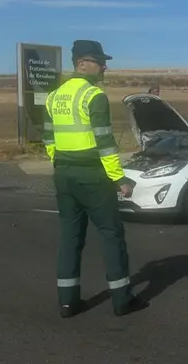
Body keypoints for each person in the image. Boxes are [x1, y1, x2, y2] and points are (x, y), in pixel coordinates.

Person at [42, 40, 149, 318]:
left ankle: (67, 302)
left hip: (64, 174)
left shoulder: (53, 96)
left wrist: (60, 164)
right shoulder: (93, 96)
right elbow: (105, 142)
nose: (104, 66)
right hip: (92, 175)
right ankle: (122, 300)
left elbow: (48, 138)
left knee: (69, 238)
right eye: (99, 61)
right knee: (111, 235)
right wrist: (119, 178)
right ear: (81, 64)